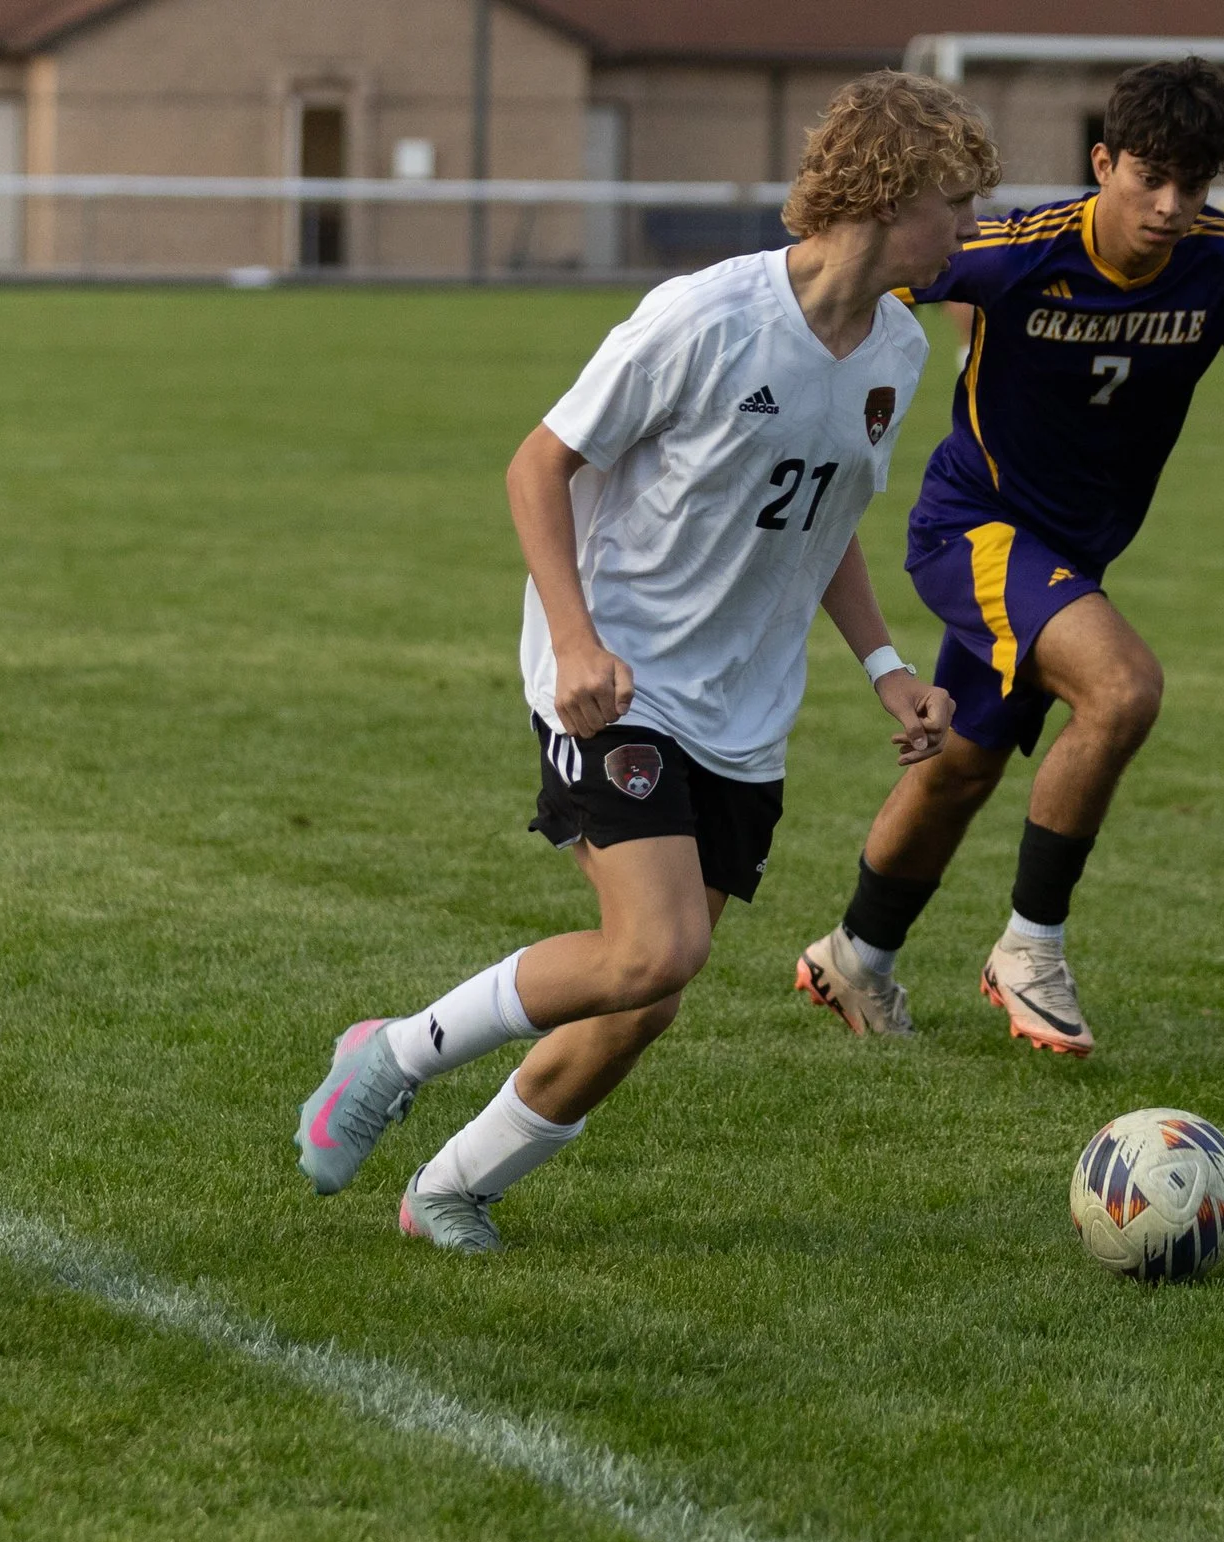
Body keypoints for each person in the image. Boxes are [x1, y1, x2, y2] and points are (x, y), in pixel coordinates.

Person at [292, 71, 995, 1252]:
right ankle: (390, 1051)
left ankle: (450, 1189)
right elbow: (536, 466)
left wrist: (882, 664)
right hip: (619, 676)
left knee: (649, 994)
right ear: (885, 195)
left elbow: (819, 524)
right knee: (656, 945)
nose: (970, 230)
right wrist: (574, 638)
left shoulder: (899, 353)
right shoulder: (707, 318)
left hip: (741, 709)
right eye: (957, 203)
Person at [791, 56, 1224, 1058]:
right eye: (1147, 178)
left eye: (1191, 186)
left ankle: (856, 951)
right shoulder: (1022, 247)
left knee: (962, 767)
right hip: (971, 528)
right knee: (1121, 690)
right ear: (1102, 160)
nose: (1167, 207)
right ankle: (1029, 947)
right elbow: (878, 267)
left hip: (1069, 557)